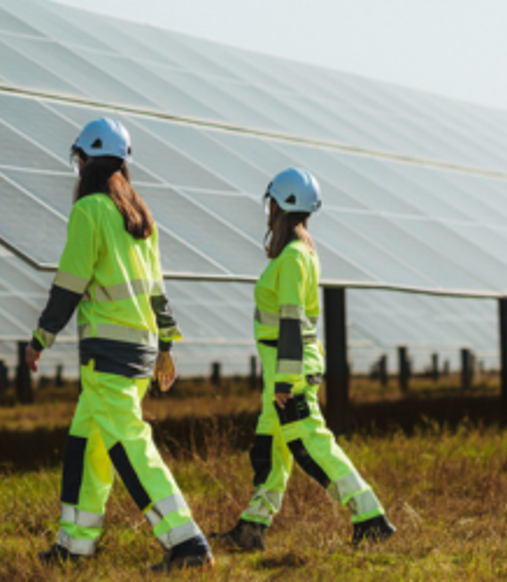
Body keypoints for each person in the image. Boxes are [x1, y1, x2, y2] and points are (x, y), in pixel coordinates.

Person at [28, 118, 212, 572]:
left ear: (86, 162)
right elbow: (158, 291)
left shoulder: (90, 210)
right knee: (86, 445)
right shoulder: (141, 220)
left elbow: (70, 283)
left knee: (130, 445)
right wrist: (166, 345)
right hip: (138, 350)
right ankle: (75, 545)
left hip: (108, 354)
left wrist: (40, 337)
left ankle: (187, 541)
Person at [212, 168, 396, 551]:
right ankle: (252, 528)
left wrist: (284, 380)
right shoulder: (297, 254)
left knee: (309, 442)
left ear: (278, 205)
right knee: (270, 449)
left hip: (289, 367)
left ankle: (370, 516)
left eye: (271, 203)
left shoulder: (295, 256)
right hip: (279, 367)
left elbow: (293, 320)